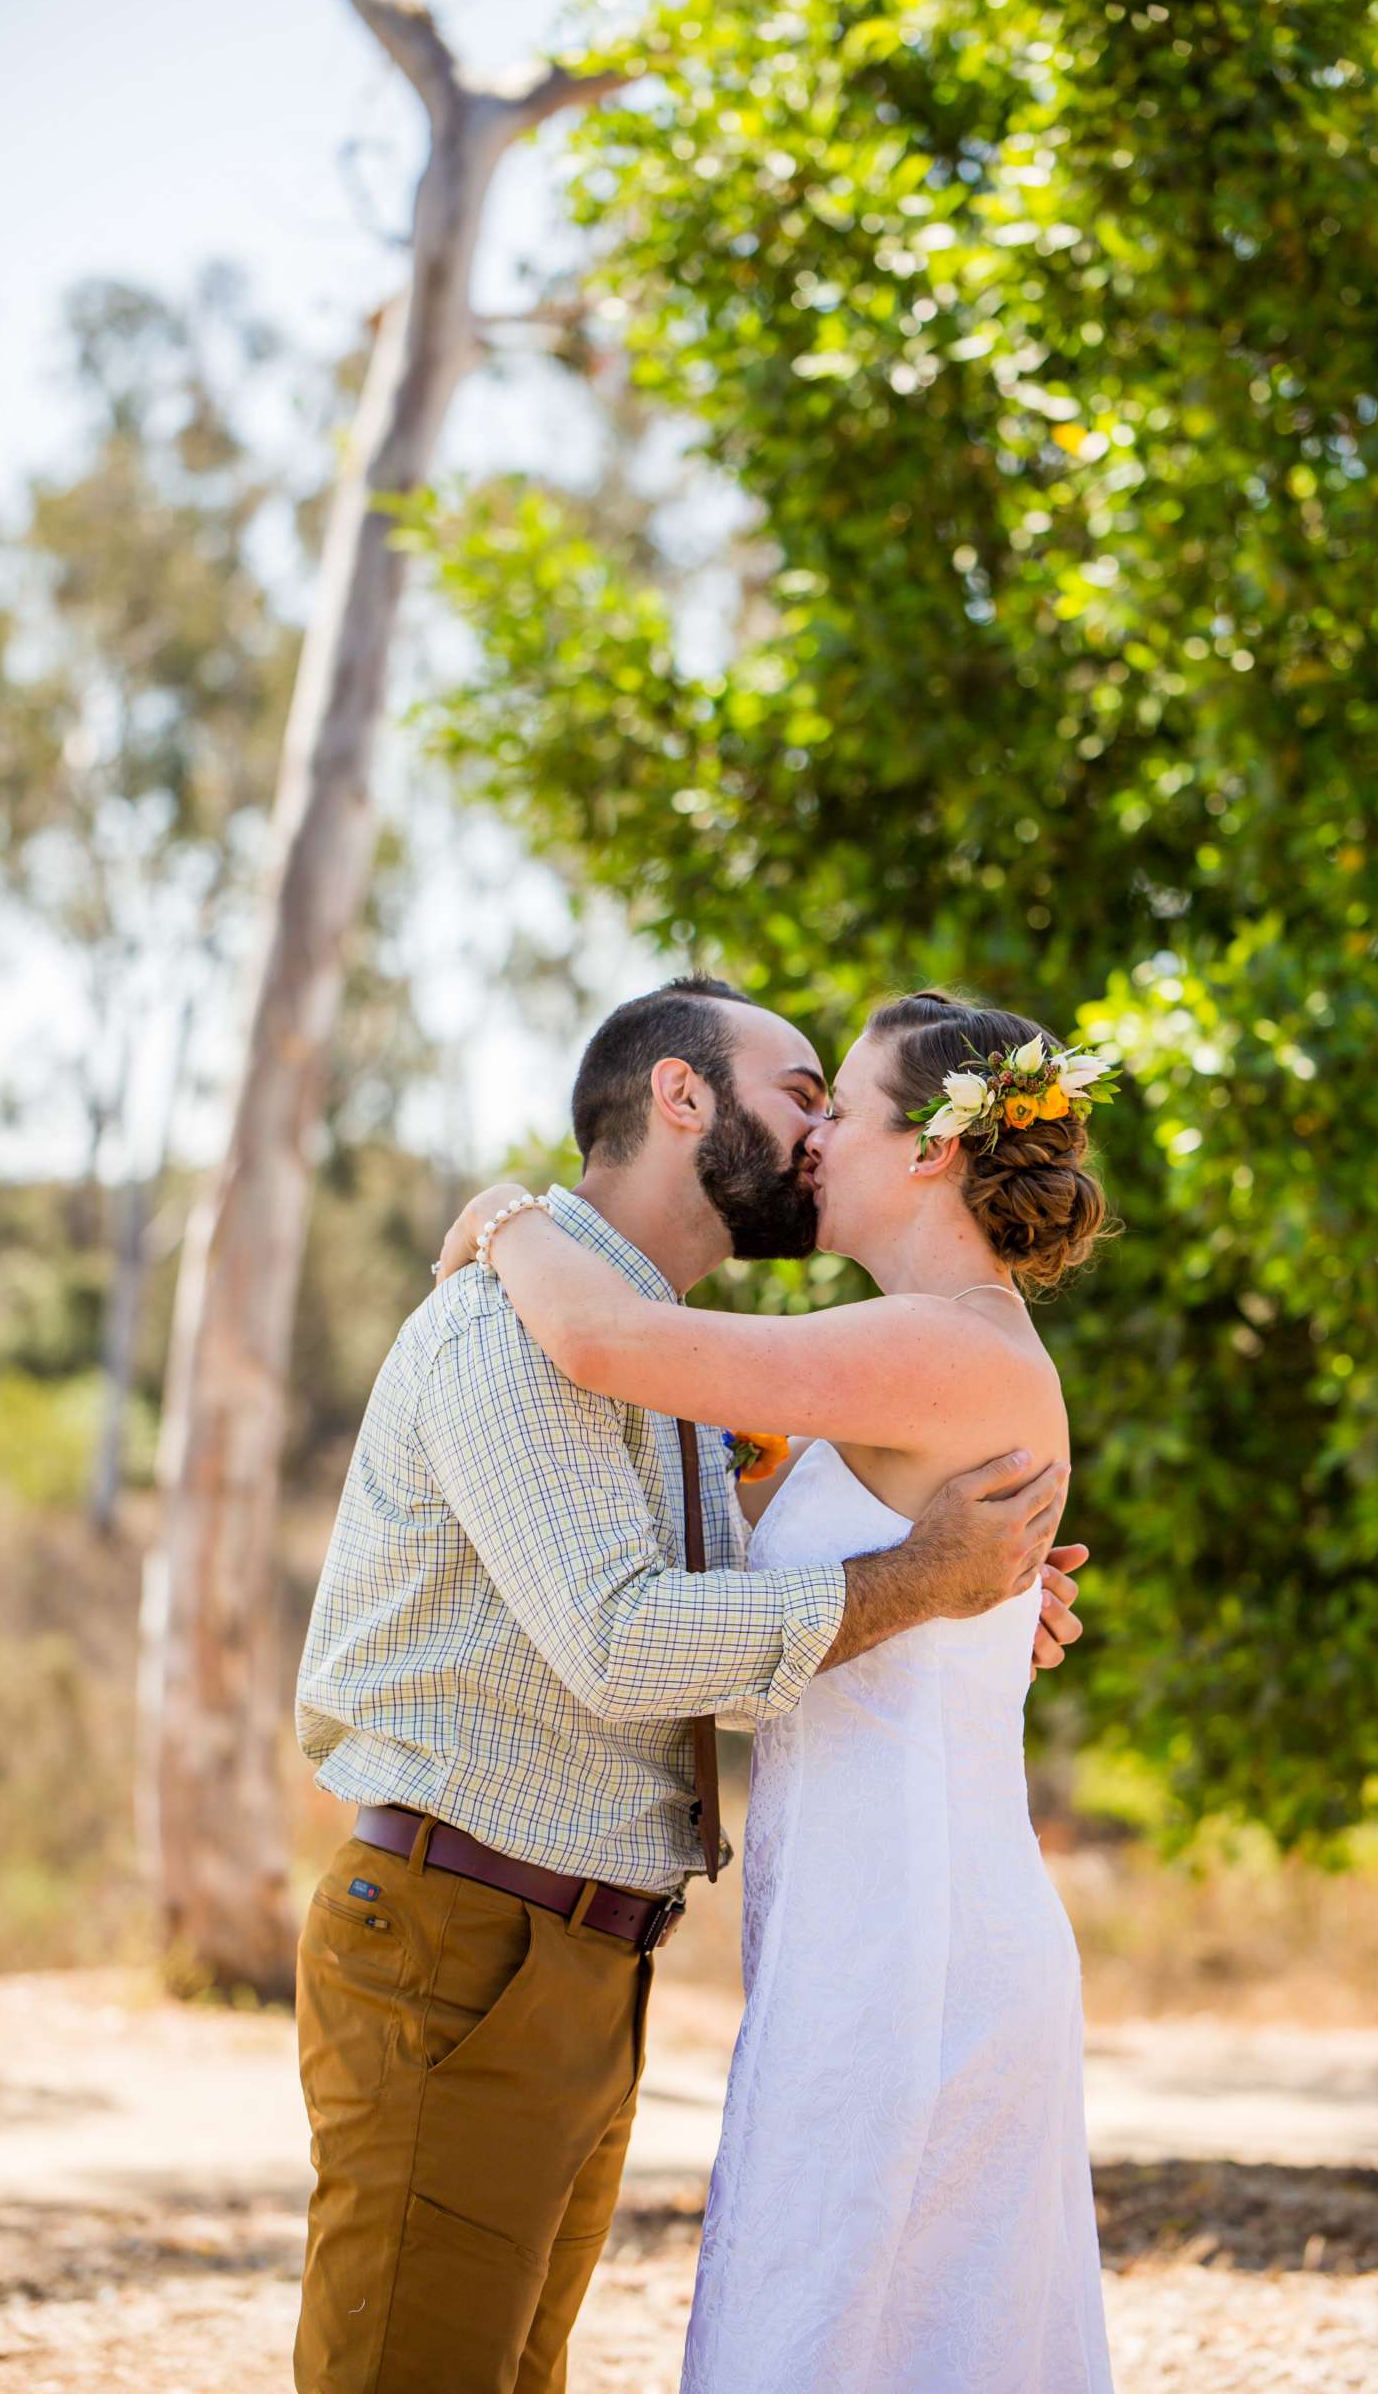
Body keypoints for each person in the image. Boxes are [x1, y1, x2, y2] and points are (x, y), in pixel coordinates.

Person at [293, 975, 1086, 2394]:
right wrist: (925, 1594)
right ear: (681, 1098)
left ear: (931, 1148)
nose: (813, 1136)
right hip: (485, 1933)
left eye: (836, 1106)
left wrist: (506, 1212)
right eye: (802, 1094)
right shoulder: (522, 1334)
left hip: (829, 1924)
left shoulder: (749, 1347)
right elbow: (634, 1637)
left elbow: (638, 1390)